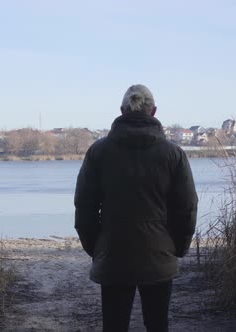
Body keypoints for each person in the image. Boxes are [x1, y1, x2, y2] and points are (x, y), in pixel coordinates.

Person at [74, 84, 198, 332]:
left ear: (122, 110)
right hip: (159, 255)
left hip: (113, 253)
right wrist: (178, 247)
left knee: (114, 326)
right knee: (157, 324)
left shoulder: (99, 152)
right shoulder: (173, 154)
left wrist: (96, 248)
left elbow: (84, 208)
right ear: (154, 111)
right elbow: (186, 208)